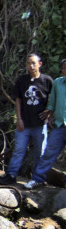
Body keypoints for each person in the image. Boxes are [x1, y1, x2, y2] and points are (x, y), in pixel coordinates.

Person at [0, 54, 53, 185]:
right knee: (19, 150)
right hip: (24, 123)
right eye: (29, 63)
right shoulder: (22, 80)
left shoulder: (47, 80)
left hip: (40, 124)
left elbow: (54, 98)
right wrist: (19, 119)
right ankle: (11, 175)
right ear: (26, 65)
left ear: (40, 64)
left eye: (34, 63)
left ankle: (38, 178)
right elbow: (18, 100)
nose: (31, 66)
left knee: (40, 152)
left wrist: (50, 112)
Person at [24, 59, 66, 189]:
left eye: (65, 68)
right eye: (63, 68)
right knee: (48, 153)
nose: (63, 70)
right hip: (60, 125)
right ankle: (38, 179)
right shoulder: (58, 82)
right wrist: (50, 114)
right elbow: (52, 101)